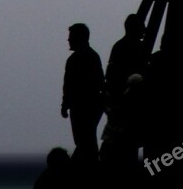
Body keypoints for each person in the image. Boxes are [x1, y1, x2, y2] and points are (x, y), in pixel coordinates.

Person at [61, 23, 105, 166]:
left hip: (81, 107)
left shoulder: (74, 60)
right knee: (87, 140)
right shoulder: (92, 56)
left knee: (84, 141)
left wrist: (65, 104)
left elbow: (68, 86)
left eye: (71, 37)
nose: (68, 40)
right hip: (91, 106)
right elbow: (100, 82)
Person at [105, 14, 146, 99]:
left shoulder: (118, 46)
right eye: (142, 26)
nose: (144, 29)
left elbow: (111, 72)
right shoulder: (141, 47)